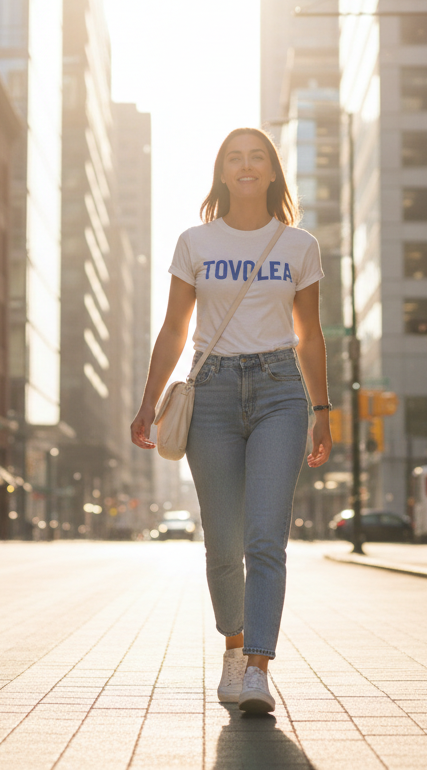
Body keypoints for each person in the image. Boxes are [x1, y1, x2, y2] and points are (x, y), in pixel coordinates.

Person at [131, 127, 332, 715]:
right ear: (222, 173)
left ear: (273, 172)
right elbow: (173, 329)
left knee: (265, 537)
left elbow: (310, 336)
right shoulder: (194, 240)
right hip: (212, 391)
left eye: (257, 158)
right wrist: (148, 403)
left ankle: (258, 672)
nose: (246, 166)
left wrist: (322, 410)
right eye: (234, 158)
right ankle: (234, 647)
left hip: (280, 394)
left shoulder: (299, 246)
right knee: (222, 542)